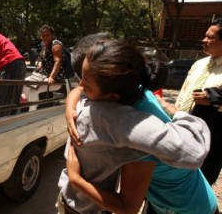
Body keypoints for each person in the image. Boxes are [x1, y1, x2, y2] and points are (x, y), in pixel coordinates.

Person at [58, 39, 217, 214]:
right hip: (163, 201)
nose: (80, 87)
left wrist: (76, 180)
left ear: (112, 97)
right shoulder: (133, 88)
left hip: (186, 207)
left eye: (85, 84)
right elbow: (79, 91)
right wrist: (70, 108)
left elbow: (128, 207)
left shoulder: (134, 130)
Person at [172, 18, 222, 185]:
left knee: (197, 187)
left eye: (210, 37)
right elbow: (184, 93)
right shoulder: (199, 64)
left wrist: (215, 99)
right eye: (205, 36)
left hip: (208, 145)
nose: (204, 40)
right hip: (179, 133)